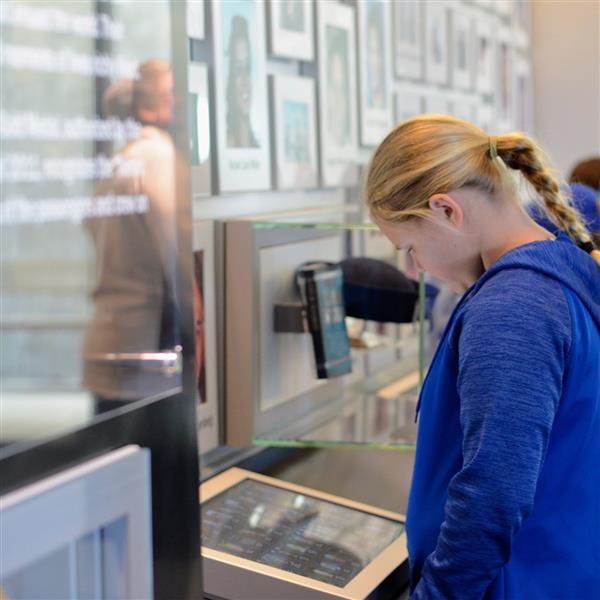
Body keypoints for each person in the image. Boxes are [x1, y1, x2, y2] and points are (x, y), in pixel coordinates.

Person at [365, 115, 600, 598]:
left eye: (409, 247)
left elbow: (494, 492)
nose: (417, 267)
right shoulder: (556, 269)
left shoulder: (513, 306)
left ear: (446, 210)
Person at [83, 60, 181, 411]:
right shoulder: (156, 157)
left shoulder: (118, 164)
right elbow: (175, 256)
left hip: (110, 341)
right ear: (148, 106)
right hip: (145, 353)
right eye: (172, 92)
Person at [226, 15, 259, 148]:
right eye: (239, 70)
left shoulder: (257, 146)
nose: (245, 80)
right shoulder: (226, 145)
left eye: (248, 68)